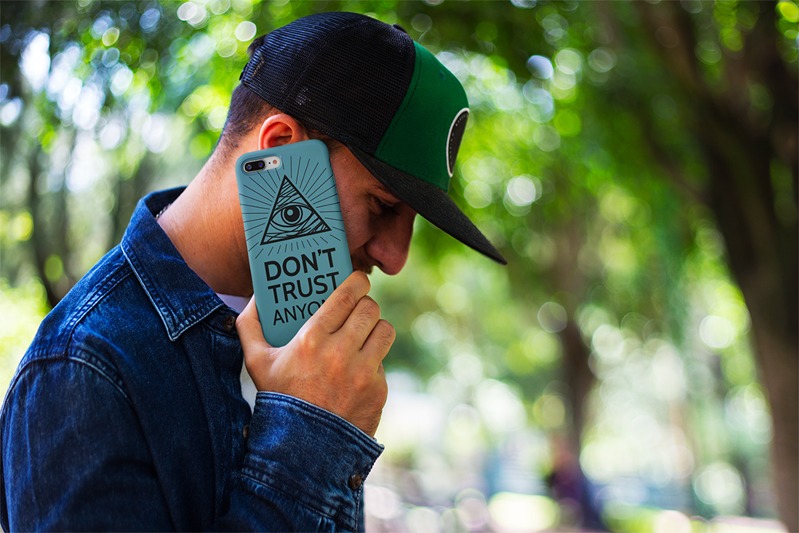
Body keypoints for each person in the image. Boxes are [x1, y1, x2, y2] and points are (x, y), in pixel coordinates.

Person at [0, 11, 506, 531]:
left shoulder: (311, 345)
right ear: (281, 147)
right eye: (382, 205)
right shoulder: (82, 369)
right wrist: (310, 431)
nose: (395, 258)